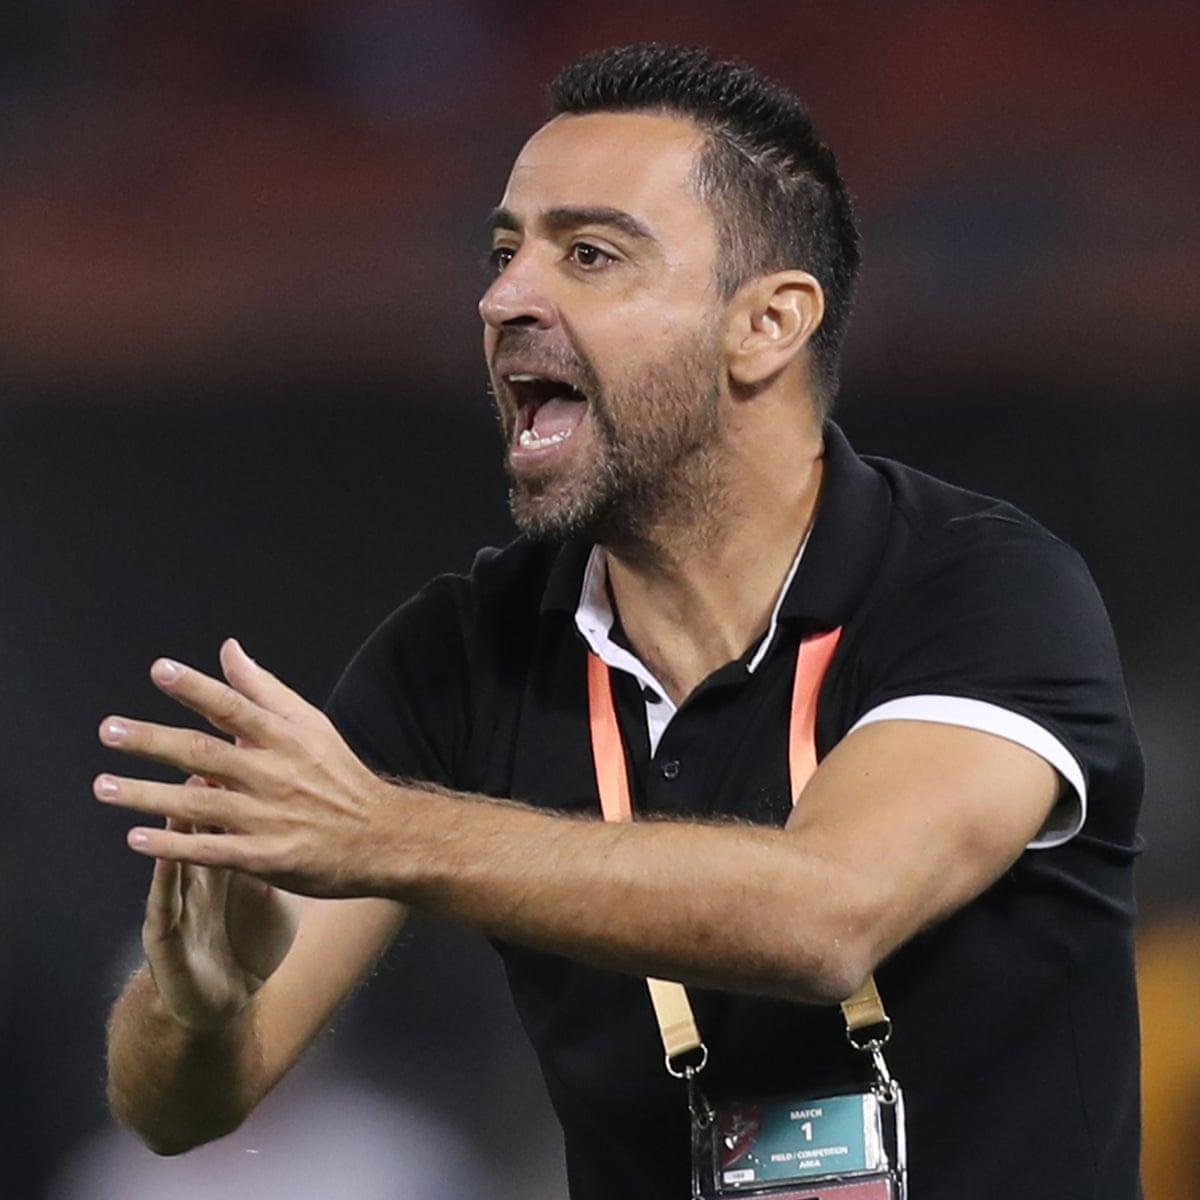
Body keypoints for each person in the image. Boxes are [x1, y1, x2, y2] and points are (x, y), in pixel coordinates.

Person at [99, 44, 1144, 1200]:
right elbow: (180, 1111)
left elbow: (831, 914)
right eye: (503, 252)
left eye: (589, 254)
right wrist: (194, 1014)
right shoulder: (460, 655)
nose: (503, 298)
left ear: (768, 323)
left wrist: (385, 831)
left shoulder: (981, 588)